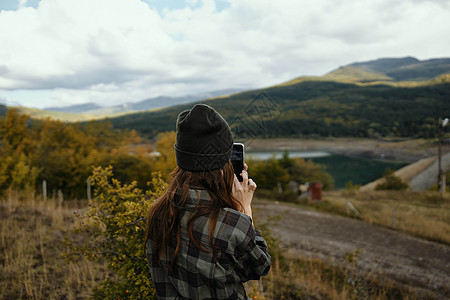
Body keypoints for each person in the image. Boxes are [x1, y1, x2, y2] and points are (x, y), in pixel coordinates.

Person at [145, 104, 271, 299]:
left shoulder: (158, 211)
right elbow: (259, 267)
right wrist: (244, 208)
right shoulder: (233, 223)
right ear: (223, 167)